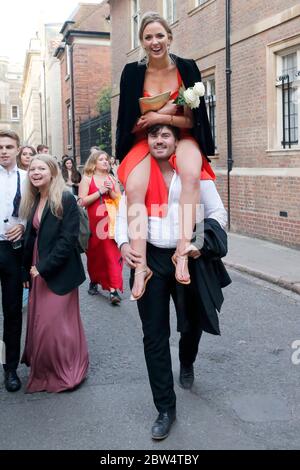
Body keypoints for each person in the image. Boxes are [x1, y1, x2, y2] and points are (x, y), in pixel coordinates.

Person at [115, 124, 230, 440]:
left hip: (186, 256)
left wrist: (196, 242)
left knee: (191, 324)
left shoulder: (191, 172)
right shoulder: (139, 171)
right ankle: (165, 407)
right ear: (148, 141)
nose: (159, 140)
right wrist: (124, 245)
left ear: (177, 141)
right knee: (154, 335)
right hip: (150, 258)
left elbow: (218, 214)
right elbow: (123, 216)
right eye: (154, 135)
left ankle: (187, 359)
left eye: (166, 135)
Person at [116, 11, 215, 300]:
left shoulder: (187, 68)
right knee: (134, 187)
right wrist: (150, 120)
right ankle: (141, 266)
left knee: (191, 173)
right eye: (148, 37)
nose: (155, 41)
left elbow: (191, 121)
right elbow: (130, 123)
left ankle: (183, 250)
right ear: (141, 42)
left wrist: (163, 116)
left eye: (160, 35)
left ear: (169, 38)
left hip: (180, 135)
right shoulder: (132, 72)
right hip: (144, 138)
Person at [20, 155, 89, 393]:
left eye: (41, 168)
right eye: (32, 169)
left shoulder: (66, 198)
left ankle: (67, 371)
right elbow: (30, 238)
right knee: (40, 323)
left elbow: (68, 240)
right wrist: (26, 272)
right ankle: (44, 369)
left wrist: (43, 267)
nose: (35, 172)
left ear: (52, 173)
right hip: (36, 268)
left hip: (57, 269)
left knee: (57, 324)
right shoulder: (34, 198)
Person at [0, 130, 27, 392]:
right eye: (0, 147)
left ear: (18, 149)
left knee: (12, 312)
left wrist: (23, 226)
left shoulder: (28, 178)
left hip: (13, 251)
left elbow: (37, 211)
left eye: (9, 146)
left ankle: (10, 369)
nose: (4, 151)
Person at [79, 150, 123, 305]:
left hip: (111, 223)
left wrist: (111, 190)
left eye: (106, 159)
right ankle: (94, 281)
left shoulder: (112, 178)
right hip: (94, 225)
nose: (105, 162)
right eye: (101, 159)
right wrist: (100, 191)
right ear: (94, 163)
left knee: (112, 254)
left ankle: (113, 289)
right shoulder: (87, 179)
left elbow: (119, 199)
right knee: (96, 256)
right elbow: (82, 202)